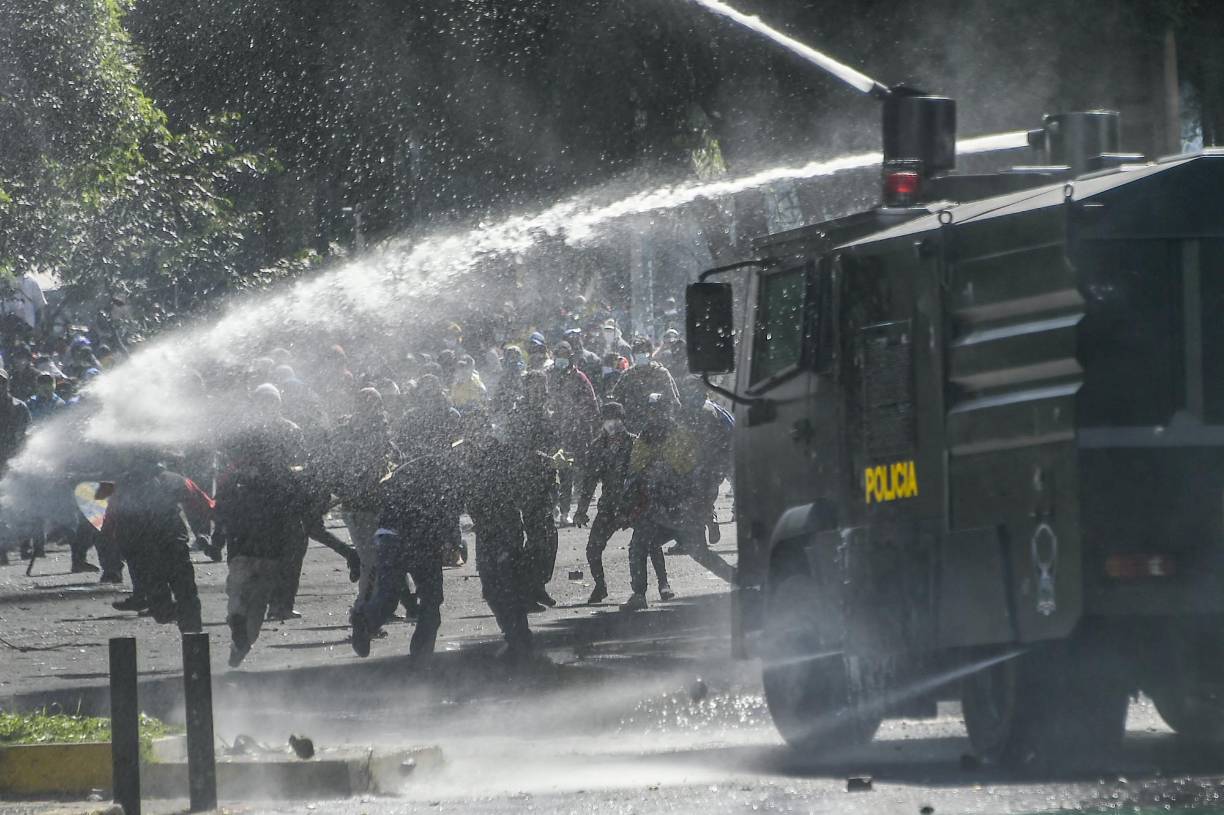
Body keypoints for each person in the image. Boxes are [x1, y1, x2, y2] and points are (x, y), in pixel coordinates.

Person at [215, 417, 312, 667]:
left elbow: (220, 509)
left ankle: (237, 622)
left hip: (240, 547)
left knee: (236, 592)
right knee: (258, 604)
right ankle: (243, 643)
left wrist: (217, 538)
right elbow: (299, 507)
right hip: (271, 550)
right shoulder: (284, 475)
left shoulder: (232, 474)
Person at [350, 440, 455, 662]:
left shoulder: (410, 468)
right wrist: (451, 542)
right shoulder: (447, 475)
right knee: (431, 599)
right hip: (419, 539)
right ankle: (421, 655)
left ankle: (366, 620)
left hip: (388, 535)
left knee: (387, 595)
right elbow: (447, 511)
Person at [102, 449, 214, 632]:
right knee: (184, 595)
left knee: (162, 602)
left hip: (145, 549)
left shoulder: (123, 484)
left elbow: (110, 517)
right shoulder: (174, 480)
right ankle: (192, 632)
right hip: (168, 545)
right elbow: (204, 504)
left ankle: (189, 629)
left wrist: (112, 541)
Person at [619, 394, 706, 611]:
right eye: (652, 411)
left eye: (659, 410)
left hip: (679, 509)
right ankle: (639, 594)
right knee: (639, 546)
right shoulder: (644, 438)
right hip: (651, 508)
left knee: (702, 554)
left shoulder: (682, 437)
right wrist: (628, 505)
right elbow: (634, 473)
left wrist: (702, 508)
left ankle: (741, 584)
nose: (655, 415)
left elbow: (694, 474)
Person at [459, 408, 533, 661]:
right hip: (486, 530)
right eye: (468, 429)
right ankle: (514, 635)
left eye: (476, 428)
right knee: (491, 588)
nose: (472, 434)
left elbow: (512, 491)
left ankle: (520, 637)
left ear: (486, 429)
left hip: (505, 527)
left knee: (507, 584)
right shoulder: (471, 457)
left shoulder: (500, 454)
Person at [574, 402, 653, 604]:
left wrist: (643, 504)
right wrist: (581, 510)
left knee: (648, 544)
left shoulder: (636, 444)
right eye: (607, 419)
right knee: (593, 549)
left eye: (615, 418)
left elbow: (646, 477)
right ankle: (600, 587)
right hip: (609, 505)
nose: (611, 424)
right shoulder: (597, 447)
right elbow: (590, 480)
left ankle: (660, 584)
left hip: (634, 504)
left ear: (623, 420)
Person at [509, 370, 561, 609]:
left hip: (545, 483)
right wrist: (547, 458)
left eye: (542, 386)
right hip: (528, 483)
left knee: (550, 538)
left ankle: (537, 585)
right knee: (538, 539)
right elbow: (522, 452)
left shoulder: (546, 413)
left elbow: (552, 443)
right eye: (534, 387)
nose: (539, 391)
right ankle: (527, 591)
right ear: (526, 389)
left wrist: (557, 457)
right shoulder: (521, 415)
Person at [673, 377, 735, 553]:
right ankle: (708, 521)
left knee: (690, 500)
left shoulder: (687, 411)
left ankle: (693, 539)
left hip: (701, 464)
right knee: (701, 498)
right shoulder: (715, 410)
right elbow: (732, 430)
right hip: (710, 464)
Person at [548, 341, 599, 527]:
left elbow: (592, 405)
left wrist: (577, 418)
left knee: (567, 473)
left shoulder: (579, 378)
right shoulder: (548, 376)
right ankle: (552, 508)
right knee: (549, 473)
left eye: (564, 356)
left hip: (573, 434)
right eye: (558, 355)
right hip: (551, 433)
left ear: (570, 358)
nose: (561, 360)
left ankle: (565, 511)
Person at [610, 336, 681, 434]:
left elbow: (674, 402)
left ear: (650, 354)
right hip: (633, 427)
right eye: (638, 353)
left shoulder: (661, 373)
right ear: (634, 355)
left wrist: (659, 400)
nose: (641, 356)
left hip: (659, 427)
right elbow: (616, 400)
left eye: (644, 353)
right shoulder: (628, 375)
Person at [0, 369, 31, 566]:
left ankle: (25, 545)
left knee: (20, 506)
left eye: (2, 382)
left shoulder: (19, 407)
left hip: (15, 461)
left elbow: (27, 434)